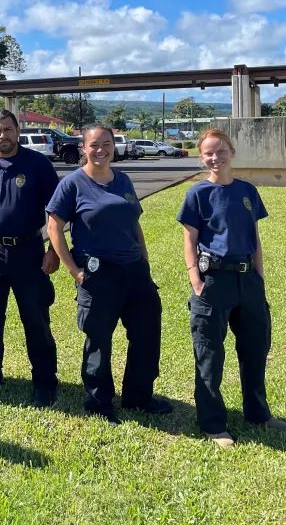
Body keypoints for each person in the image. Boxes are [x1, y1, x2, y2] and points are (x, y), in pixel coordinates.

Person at [46, 124, 171, 424]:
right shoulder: (73, 184)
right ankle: (99, 401)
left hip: (135, 270)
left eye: (106, 144)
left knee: (146, 333)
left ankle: (138, 396)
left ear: (114, 147)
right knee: (99, 338)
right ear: (83, 148)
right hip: (97, 271)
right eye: (93, 144)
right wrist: (74, 271)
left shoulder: (124, 180)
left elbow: (134, 224)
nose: (100, 149)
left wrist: (144, 260)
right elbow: (54, 228)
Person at [176, 128, 286, 447]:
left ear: (232, 151)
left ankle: (258, 413)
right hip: (213, 280)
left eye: (221, 150)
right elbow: (190, 239)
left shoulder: (247, 191)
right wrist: (195, 280)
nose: (216, 157)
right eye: (209, 153)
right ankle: (213, 424)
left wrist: (259, 278)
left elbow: (254, 236)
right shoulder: (197, 194)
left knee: (255, 350)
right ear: (202, 158)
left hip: (248, 280)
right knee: (210, 354)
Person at [0, 108, 61, 407]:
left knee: (36, 319)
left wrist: (54, 250)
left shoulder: (38, 164)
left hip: (29, 252)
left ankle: (45, 382)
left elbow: (56, 213)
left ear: (17, 130)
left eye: (7, 129)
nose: (2, 135)